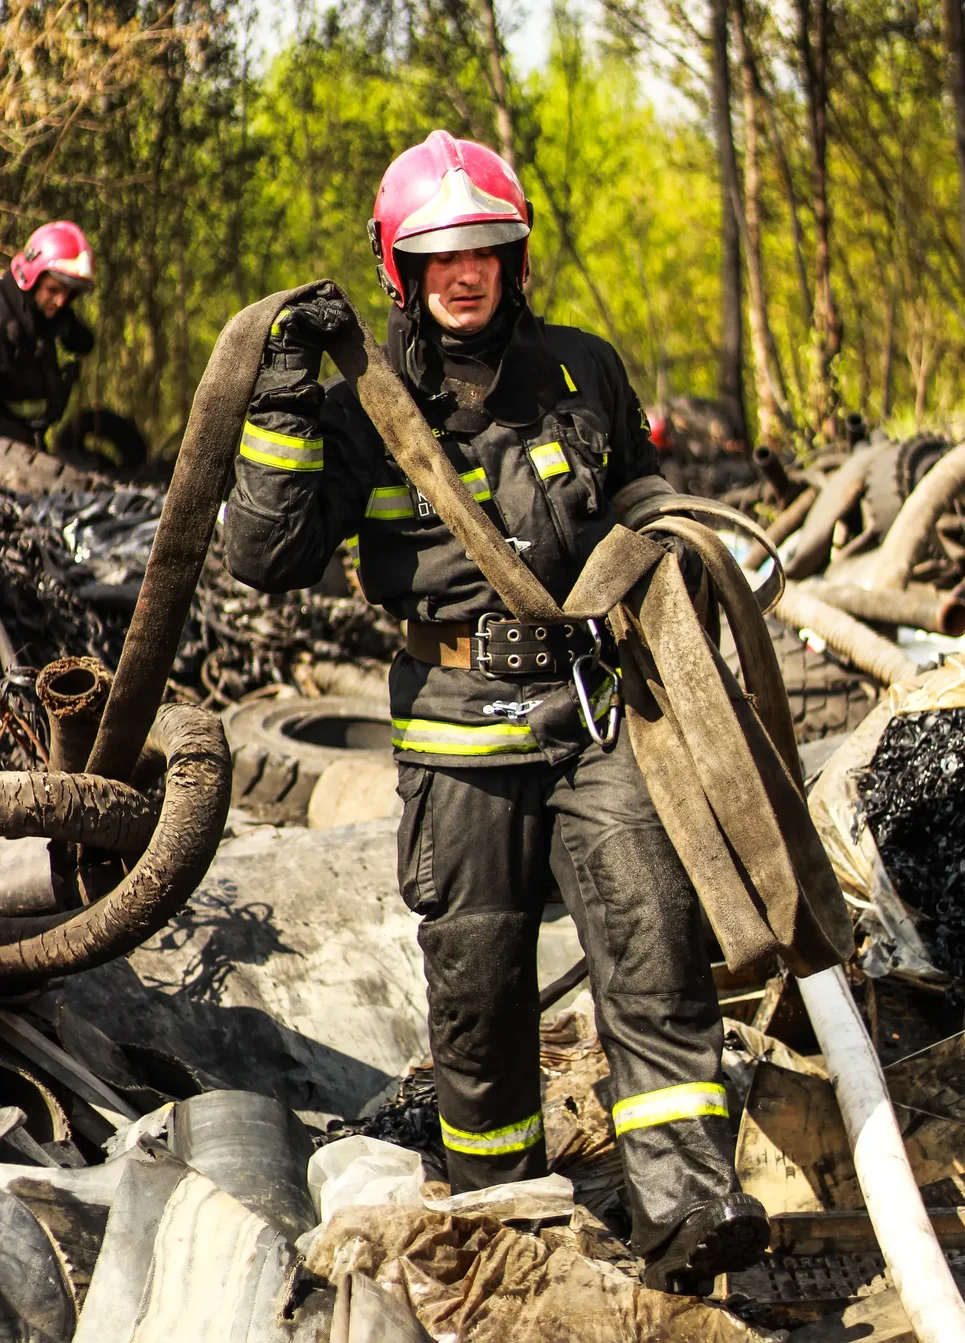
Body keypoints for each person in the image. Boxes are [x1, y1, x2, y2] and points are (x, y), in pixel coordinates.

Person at [223, 129, 771, 1293]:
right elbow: (264, 557)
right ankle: (506, 1223)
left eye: (484, 248)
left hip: (593, 714)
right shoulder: (362, 407)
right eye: (439, 254)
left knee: (653, 941)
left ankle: (689, 1215)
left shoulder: (582, 370)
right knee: (477, 991)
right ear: (400, 269)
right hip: (457, 731)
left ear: (514, 258)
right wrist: (278, 395)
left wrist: (685, 543)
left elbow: (639, 497)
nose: (464, 271)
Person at [0, 221, 96, 449]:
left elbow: (85, 342)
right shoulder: (4, 317)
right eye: (53, 290)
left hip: (26, 444)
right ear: (31, 277)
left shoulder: (42, 315)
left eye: (70, 294)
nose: (61, 301)